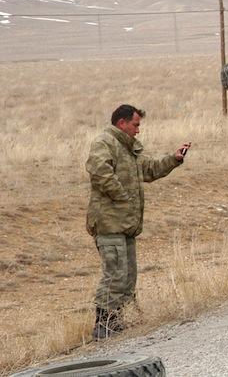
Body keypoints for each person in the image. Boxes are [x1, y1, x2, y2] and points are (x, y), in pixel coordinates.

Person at [86, 104, 190, 340]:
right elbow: (100, 174)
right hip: (109, 223)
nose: (138, 130)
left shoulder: (129, 149)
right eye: (135, 125)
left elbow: (150, 170)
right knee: (114, 273)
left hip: (127, 225)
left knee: (128, 275)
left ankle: (119, 321)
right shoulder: (104, 143)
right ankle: (103, 325)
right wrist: (123, 198)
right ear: (121, 123)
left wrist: (173, 159)